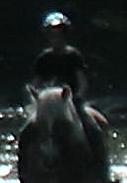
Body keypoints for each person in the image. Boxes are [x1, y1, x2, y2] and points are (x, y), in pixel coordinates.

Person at [30, 11, 111, 168]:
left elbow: (82, 82)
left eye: (59, 35)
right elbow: (37, 82)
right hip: (48, 106)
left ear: (65, 36)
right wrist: (36, 96)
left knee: (96, 126)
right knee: (27, 132)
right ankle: (23, 177)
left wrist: (77, 96)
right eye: (52, 35)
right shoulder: (43, 59)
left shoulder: (73, 56)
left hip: (72, 103)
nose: (56, 39)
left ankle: (103, 173)